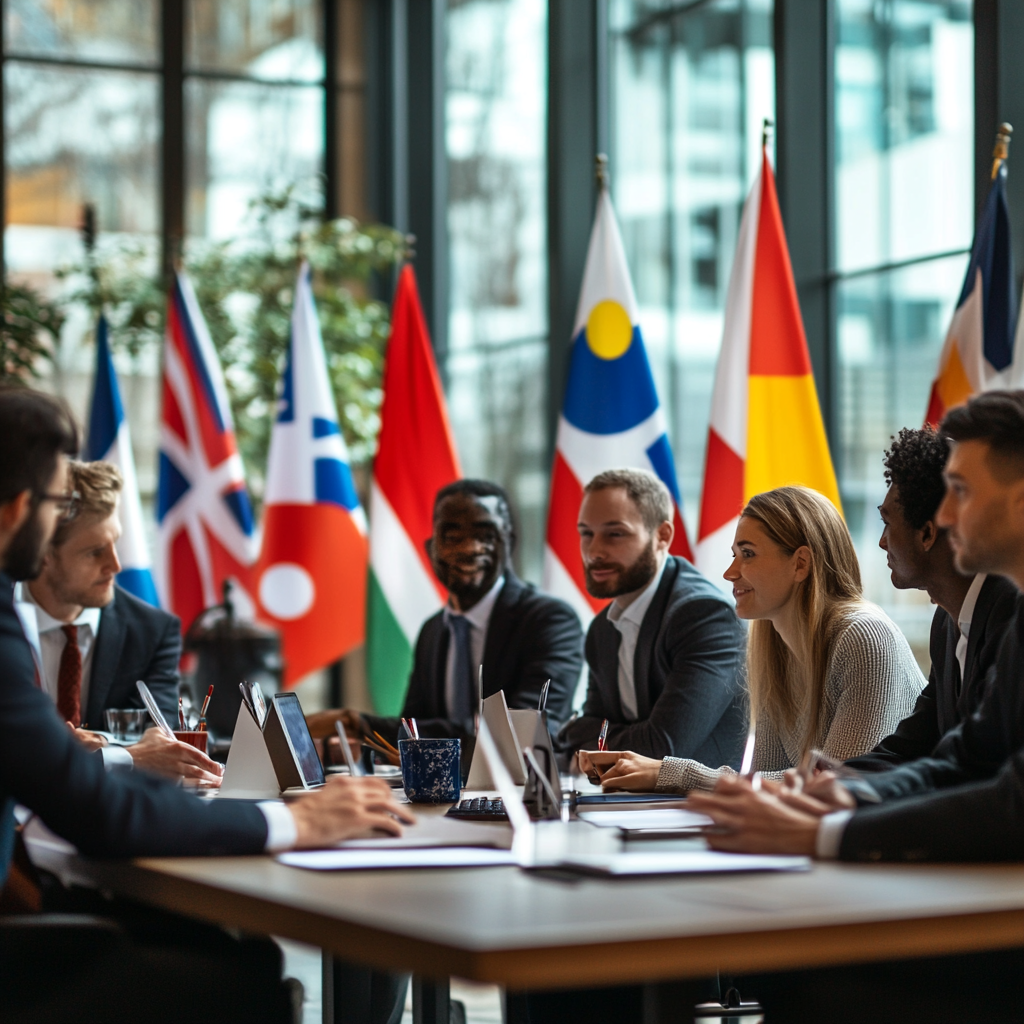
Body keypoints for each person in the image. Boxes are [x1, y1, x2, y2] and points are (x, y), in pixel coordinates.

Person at [0, 387, 414, 1022]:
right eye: (57, 502)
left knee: (228, 954)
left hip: (37, 881)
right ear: (21, 510)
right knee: (239, 980)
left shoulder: (139, 626)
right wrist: (296, 823)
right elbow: (92, 807)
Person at [685, 390, 1024, 1023]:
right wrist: (844, 793)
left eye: (962, 493)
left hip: (1001, 913)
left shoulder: (992, 617)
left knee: (804, 971)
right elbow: (954, 755)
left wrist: (834, 829)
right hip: (984, 886)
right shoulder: (961, 623)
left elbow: (1009, 797)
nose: (946, 515)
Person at [582, 485, 925, 792]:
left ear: (800, 564)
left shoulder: (864, 636)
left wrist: (672, 773)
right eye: (734, 554)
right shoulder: (773, 646)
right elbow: (768, 779)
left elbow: (835, 786)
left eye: (747, 554)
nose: (729, 573)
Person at [308, 479, 584, 748]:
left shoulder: (550, 620)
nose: (469, 549)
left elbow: (523, 731)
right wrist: (345, 745)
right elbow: (411, 732)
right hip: (438, 793)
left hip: (524, 792)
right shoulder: (434, 630)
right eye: (452, 537)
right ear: (431, 549)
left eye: (486, 536)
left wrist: (358, 723)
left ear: (509, 543)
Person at [13, 458, 222, 785]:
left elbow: (161, 746)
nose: (116, 564)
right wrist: (116, 754)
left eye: (116, 542)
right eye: (94, 552)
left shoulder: (152, 632)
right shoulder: (6, 618)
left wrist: (98, 753)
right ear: (43, 554)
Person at [848, 426, 1018, 771]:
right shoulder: (945, 622)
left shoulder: (1011, 612)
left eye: (887, 522)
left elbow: (975, 769)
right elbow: (910, 746)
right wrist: (836, 780)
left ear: (926, 533)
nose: (882, 542)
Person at [555, 468, 747, 762]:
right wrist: (583, 733)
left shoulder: (704, 616)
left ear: (662, 536)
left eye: (615, 534)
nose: (593, 551)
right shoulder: (601, 629)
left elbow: (663, 749)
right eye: (586, 533)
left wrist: (579, 732)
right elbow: (581, 741)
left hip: (699, 804)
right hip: (626, 801)